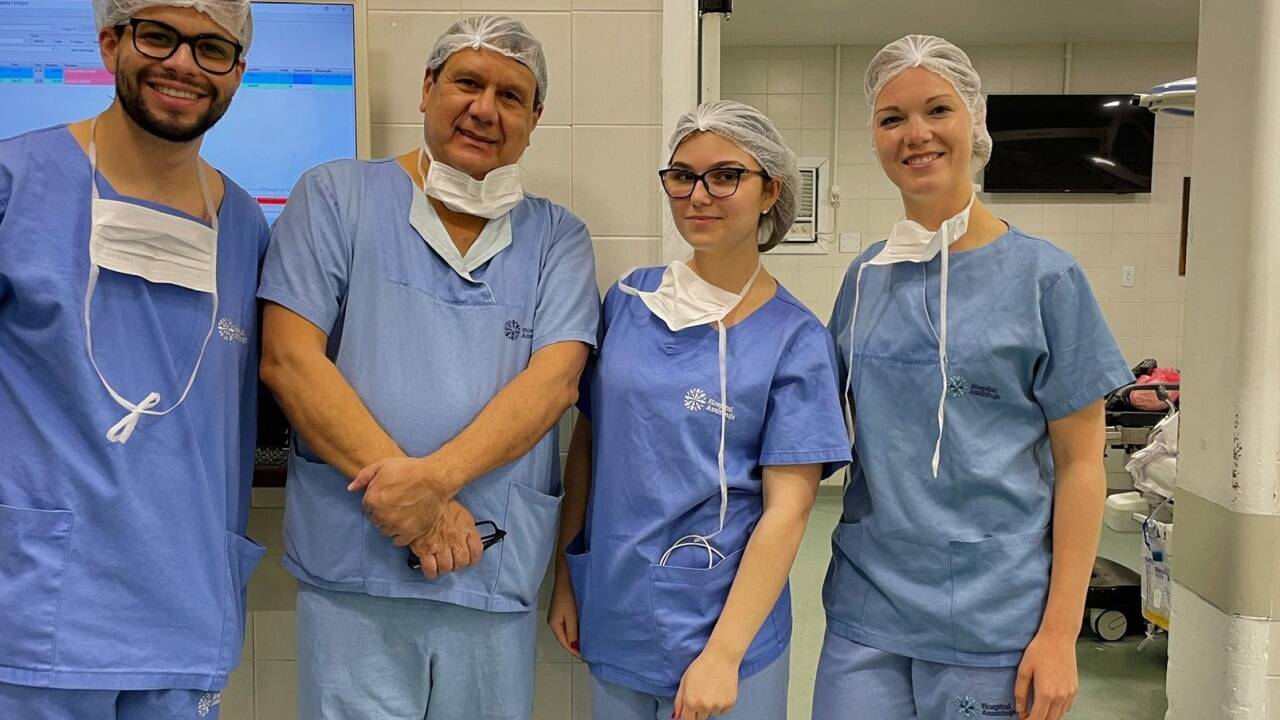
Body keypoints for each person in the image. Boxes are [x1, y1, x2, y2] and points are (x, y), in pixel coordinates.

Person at [257, 14, 598, 719]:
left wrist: (432, 486)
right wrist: (417, 509)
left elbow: (555, 383)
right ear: (426, 88)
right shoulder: (334, 197)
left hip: (489, 561)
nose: (484, 108)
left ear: (536, 118)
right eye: (467, 82)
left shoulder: (557, 238)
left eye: (511, 95)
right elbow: (290, 362)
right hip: (357, 568)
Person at [813, 35, 1134, 720]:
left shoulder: (1047, 278)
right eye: (892, 117)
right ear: (873, 138)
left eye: (938, 110)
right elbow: (819, 427)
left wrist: (1058, 633)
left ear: (976, 123)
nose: (916, 133)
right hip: (866, 610)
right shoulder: (865, 280)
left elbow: (1081, 466)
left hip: (995, 625)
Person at [0, 1, 268, 718]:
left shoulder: (245, 225)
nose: (183, 63)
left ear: (238, 73)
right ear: (111, 41)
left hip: (183, 609)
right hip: (41, 614)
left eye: (213, 48)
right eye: (159, 36)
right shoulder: (15, 185)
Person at [547, 100, 851, 720]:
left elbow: (787, 512)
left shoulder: (795, 340)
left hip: (725, 630)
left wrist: (723, 654)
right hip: (615, 607)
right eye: (682, 175)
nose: (698, 195)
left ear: (771, 191)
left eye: (725, 175)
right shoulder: (627, 303)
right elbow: (588, 442)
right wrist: (566, 577)